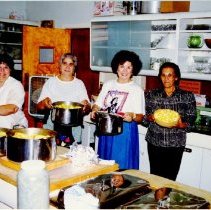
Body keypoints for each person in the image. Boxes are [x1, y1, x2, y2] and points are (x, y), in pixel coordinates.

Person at [91, 50, 145, 169]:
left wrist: (133, 116)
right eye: (122, 66)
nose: (124, 70)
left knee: (121, 168)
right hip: (105, 129)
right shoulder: (108, 84)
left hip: (124, 132)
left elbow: (141, 117)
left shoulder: (137, 89)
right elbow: (98, 104)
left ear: (133, 70)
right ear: (116, 68)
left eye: (128, 67)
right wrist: (94, 110)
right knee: (103, 165)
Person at [144, 62, 197, 181]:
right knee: (155, 177)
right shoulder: (151, 95)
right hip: (155, 142)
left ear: (176, 77)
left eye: (170, 75)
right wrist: (149, 118)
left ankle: (166, 199)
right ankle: (156, 200)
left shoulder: (187, 96)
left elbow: (191, 120)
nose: (166, 79)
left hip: (175, 144)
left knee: (170, 179)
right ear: (160, 77)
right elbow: (145, 118)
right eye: (163, 75)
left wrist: (182, 125)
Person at [37, 53, 91, 146]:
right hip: (52, 124)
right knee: (51, 152)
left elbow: (87, 105)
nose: (67, 67)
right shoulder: (51, 82)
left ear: (74, 67)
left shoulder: (79, 84)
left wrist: (86, 105)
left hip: (74, 126)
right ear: (60, 66)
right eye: (64, 63)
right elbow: (39, 106)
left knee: (72, 155)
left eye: (71, 64)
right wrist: (45, 103)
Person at [0, 54, 28, 129]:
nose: (2, 71)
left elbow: (12, 108)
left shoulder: (16, 85)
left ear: (10, 70)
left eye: (6, 67)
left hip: (15, 129)